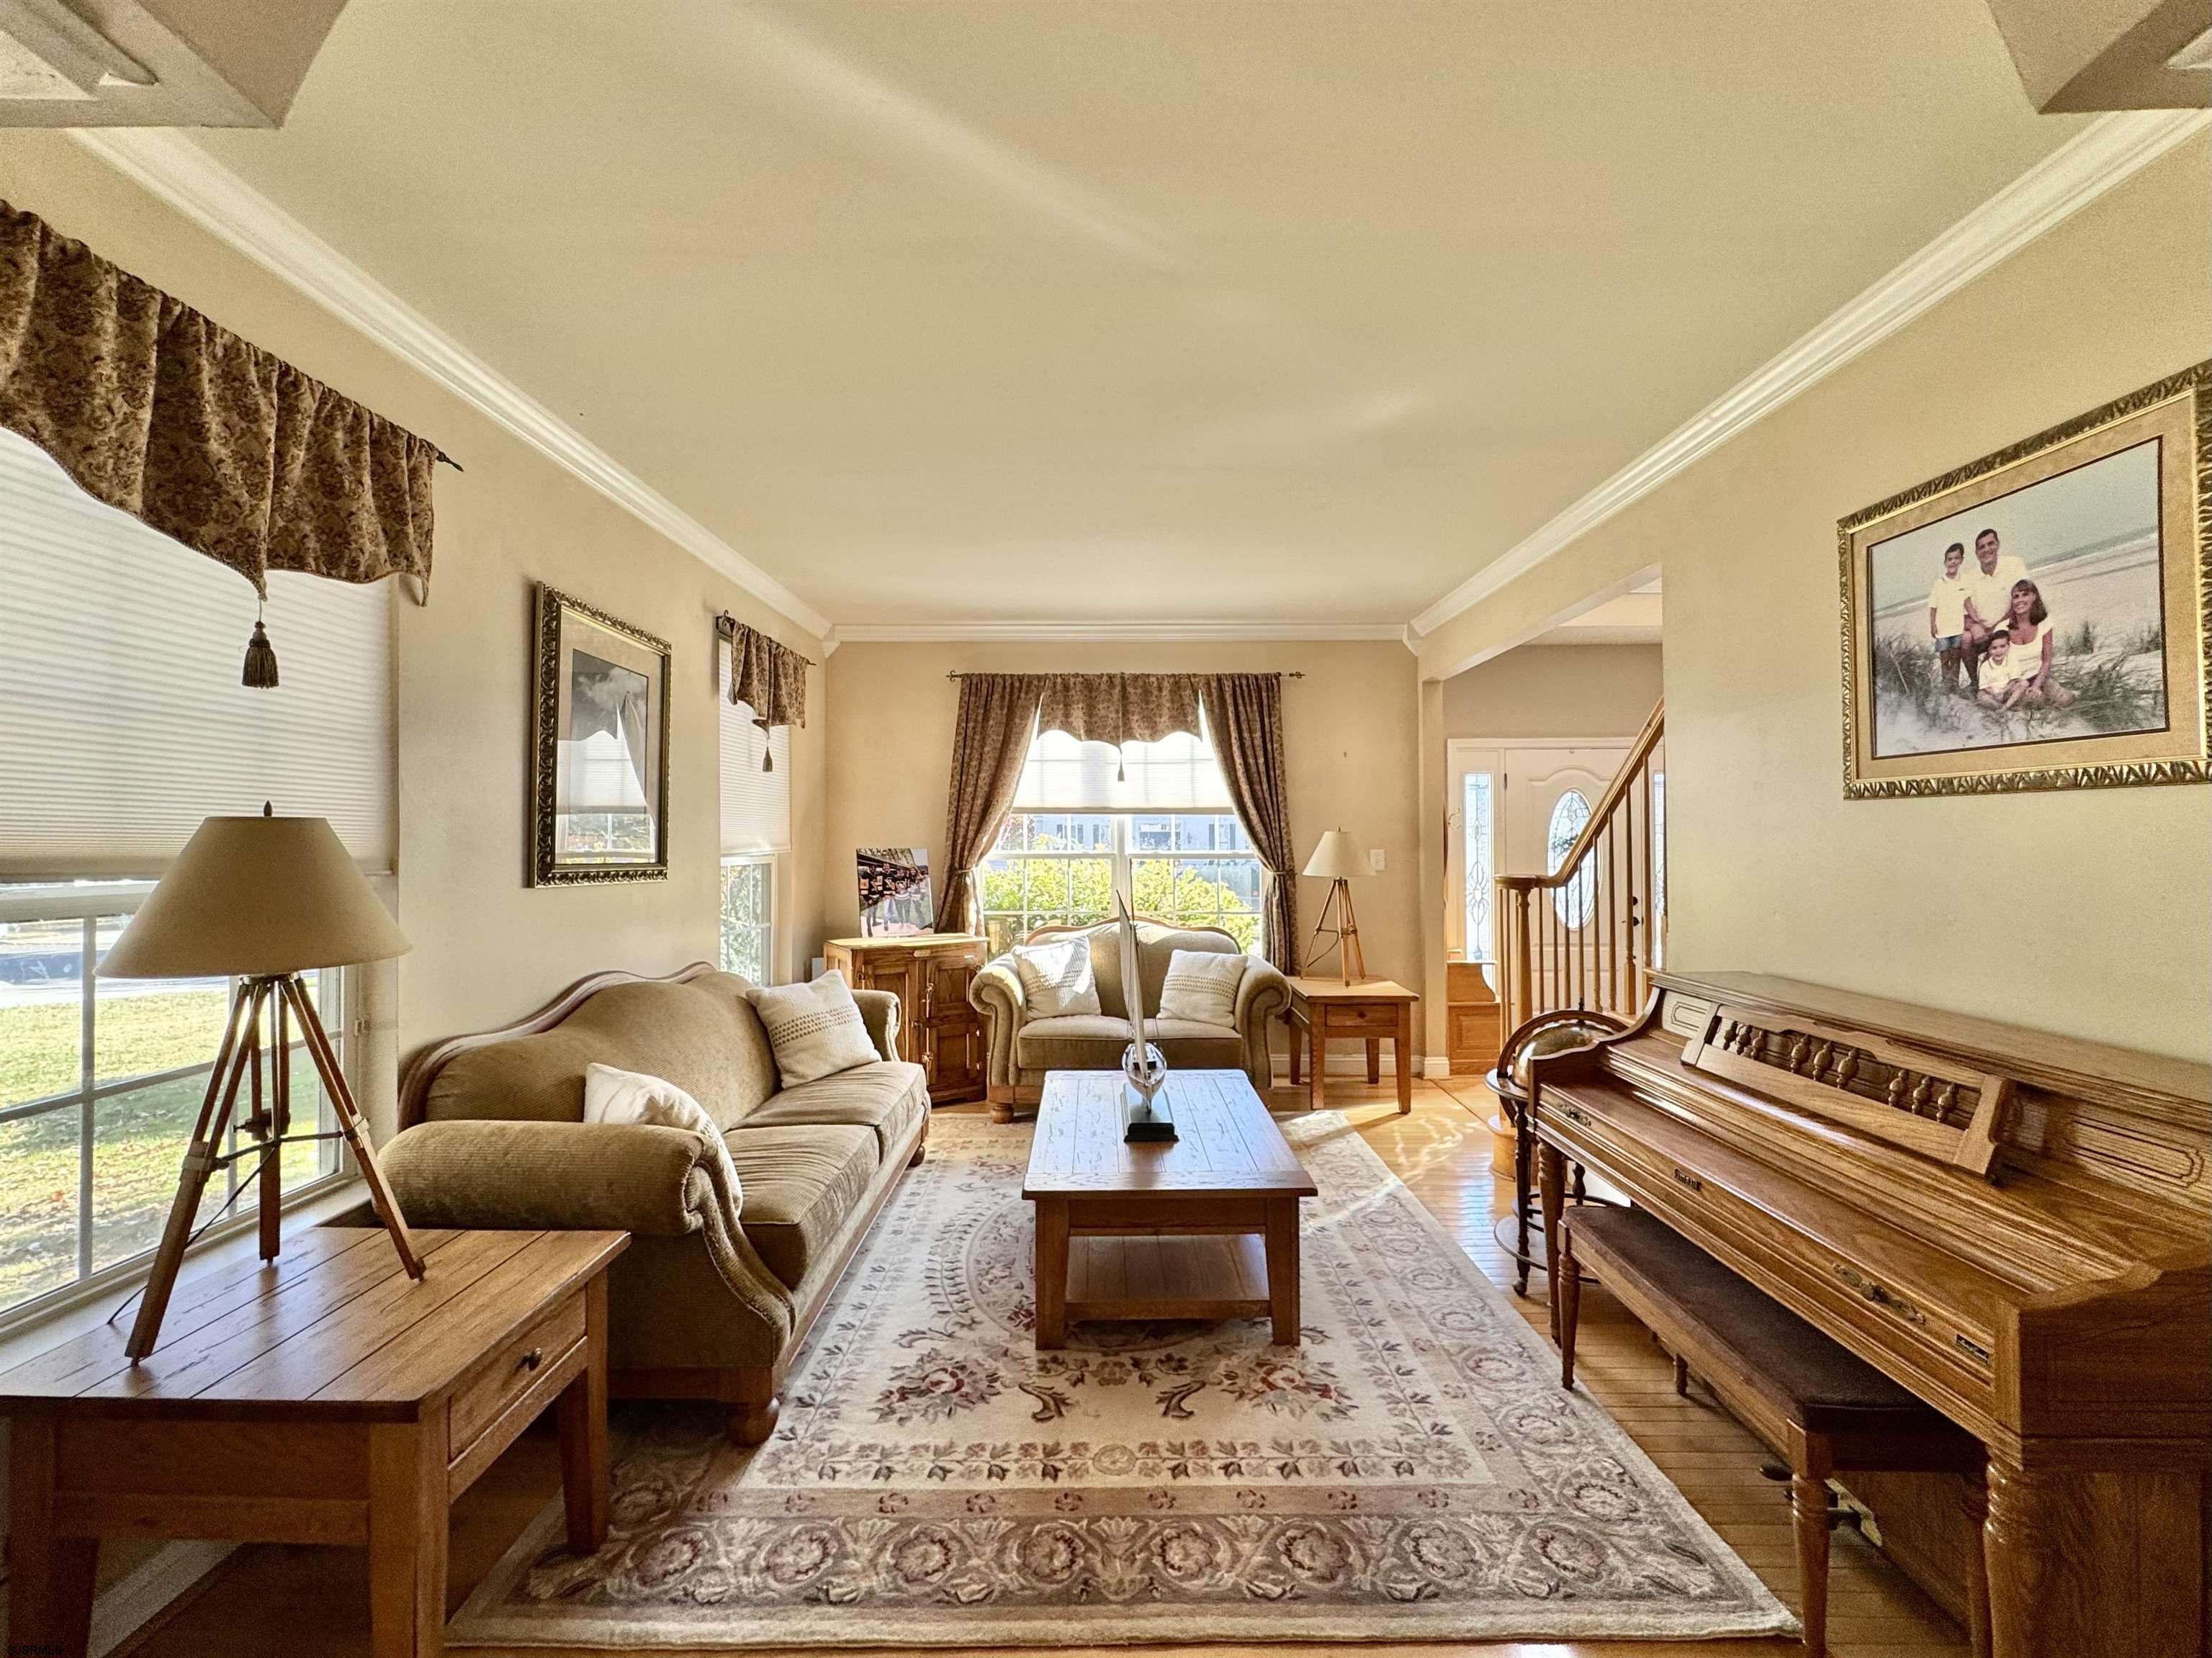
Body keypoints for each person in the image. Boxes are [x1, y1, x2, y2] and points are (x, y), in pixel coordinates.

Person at [1959, 528, 2028, 688]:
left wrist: (1996, 628)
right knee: (1965, 638)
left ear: (1998, 544)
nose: (1986, 550)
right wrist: (1975, 626)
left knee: (1991, 665)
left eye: (1990, 544)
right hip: (1983, 633)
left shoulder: (2014, 564)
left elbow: (2023, 601)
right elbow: (1962, 614)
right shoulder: (1969, 578)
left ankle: (1994, 680)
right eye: (1981, 547)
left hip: (2010, 625)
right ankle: (1975, 683)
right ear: (1977, 553)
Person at [1999, 577, 2077, 709]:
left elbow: (2047, 660)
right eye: (2016, 597)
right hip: (2015, 682)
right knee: (2036, 701)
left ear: (2034, 597)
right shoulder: (2002, 628)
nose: (2020, 600)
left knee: (2066, 699)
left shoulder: (2044, 623)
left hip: (2038, 676)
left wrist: (2036, 685)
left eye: (2025, 595)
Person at [1925, 541, 1972, 693]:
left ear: (1961, 560)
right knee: (1945, 657)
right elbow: (1933, 606)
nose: (1953, 562)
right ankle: (1947, 684)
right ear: (1945, 562)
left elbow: (1967, 602)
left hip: (1957, 627)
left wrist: (1975, 618)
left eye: (1956, 558)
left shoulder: (1963, 581)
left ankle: (1955, 685)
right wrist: (1932, 624)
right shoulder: (1939, 583)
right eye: (1949, 559)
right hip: (1943, 629)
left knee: (1956, 657)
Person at [1975, 628, 2032, 711]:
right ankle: (2002, 706)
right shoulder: (1985, 666)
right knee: (1981, 696)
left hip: (2008, 691)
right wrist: (1995, 693)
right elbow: (1984, 686)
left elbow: (2013, 680)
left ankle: (2005, 707)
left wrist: (2004, 691)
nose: (1998, 651)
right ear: (1989, 650)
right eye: (1994, 648)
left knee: (2024, 683)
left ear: (2008, 647)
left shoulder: (2012, 660)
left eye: (2002, 646)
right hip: (1993, 693)